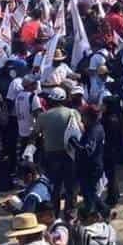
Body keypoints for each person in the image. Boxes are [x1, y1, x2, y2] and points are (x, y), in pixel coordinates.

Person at [35, 88, 80, 216]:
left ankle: (53, 213)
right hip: (69, 154)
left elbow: (34, 134)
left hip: (51, 155)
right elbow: (80, 129)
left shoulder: (43, 116)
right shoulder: (73, 113)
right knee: (70, 186)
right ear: (65, 99)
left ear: (50, 100)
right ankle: (70, 213)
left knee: (55, 186)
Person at [71, 106, 105, 210]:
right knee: (88, 193)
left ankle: (102, 211)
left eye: (83, 115)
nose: (81, 118)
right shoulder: (92, 127)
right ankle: (100, 211)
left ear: (89, 117)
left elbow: (87, 151)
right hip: (88, 167)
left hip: (91, 168)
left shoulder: (94, 131)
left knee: (89, 194)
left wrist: (74, 143)